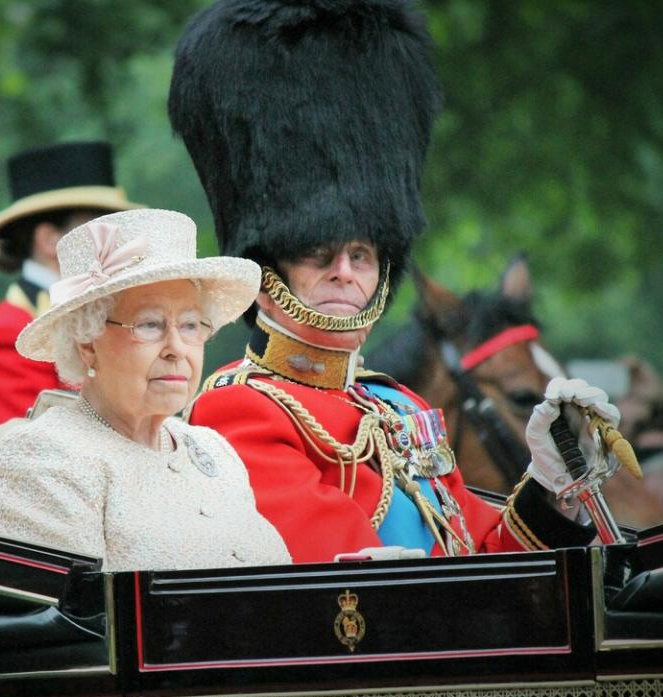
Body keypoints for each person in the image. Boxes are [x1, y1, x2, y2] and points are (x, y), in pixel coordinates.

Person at [170, 0, 621, 562]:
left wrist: (552, 491)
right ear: (265, 273)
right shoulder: (239, 407)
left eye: (362, 254)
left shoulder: (399, 405)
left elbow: (483, 548)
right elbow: (354, 588)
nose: (344, 271)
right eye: (317, 252)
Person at [0, 208, 291, 571]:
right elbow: (71, 623)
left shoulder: (214, 451)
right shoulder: (43, 459)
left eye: (191, 325)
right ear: (87, 342)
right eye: (149, 324)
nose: (177, 347)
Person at [0, 141, 142, 432]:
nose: (116, 241)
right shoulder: (8, 334)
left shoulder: (105, 314)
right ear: (49, 240)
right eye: (100, 227)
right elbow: (27, 452)